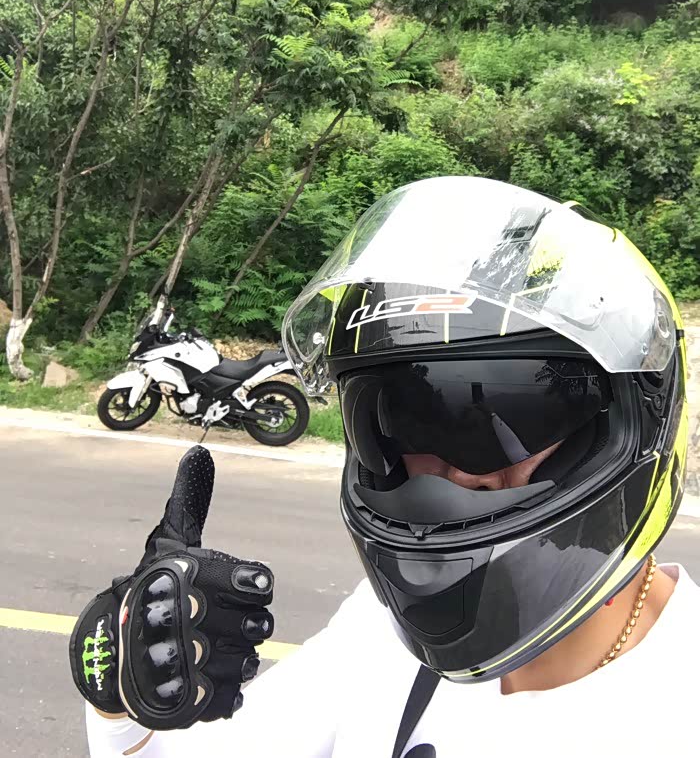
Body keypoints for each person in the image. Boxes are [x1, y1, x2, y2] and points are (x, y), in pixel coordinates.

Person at [74, 177, 697, 758]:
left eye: (502, 424)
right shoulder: (379, 639)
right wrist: (129, 702)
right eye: (403, 422)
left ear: (626, 423)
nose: (450, 476)